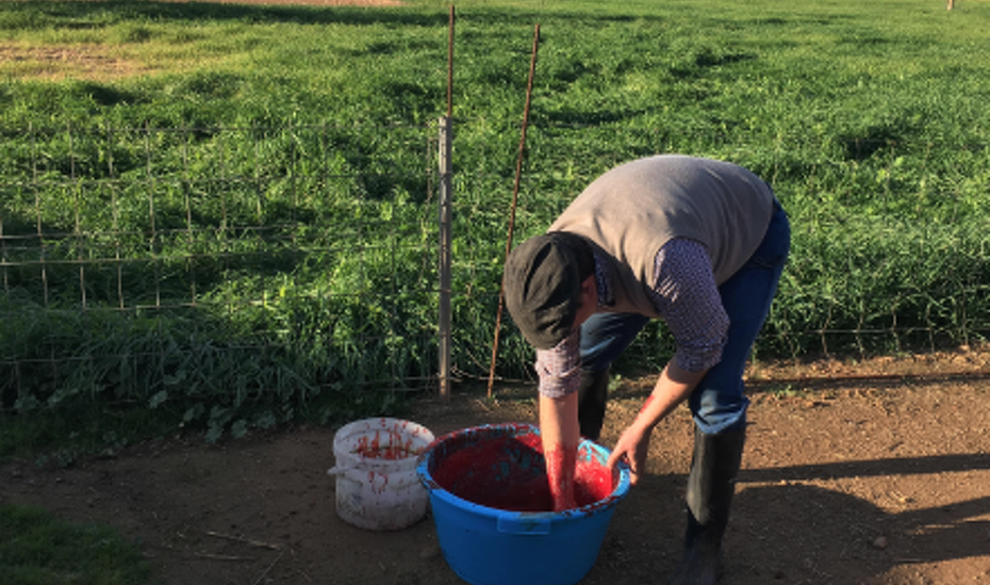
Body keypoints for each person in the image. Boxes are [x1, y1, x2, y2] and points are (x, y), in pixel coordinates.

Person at [502, 155, 790, 585]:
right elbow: (557, 383)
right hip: (650, 239)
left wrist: (642, 426)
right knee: (586, 358)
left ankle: (704, 552)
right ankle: (585, 490)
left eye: (564, 326)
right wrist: (562, 502)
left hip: (744, 235)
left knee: (715, 395)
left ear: (586, 290)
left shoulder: (665, 266)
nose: (561, 337)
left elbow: (703, 345)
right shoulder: (552, 269)